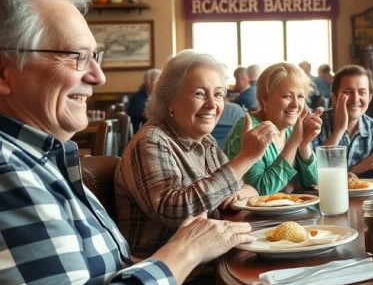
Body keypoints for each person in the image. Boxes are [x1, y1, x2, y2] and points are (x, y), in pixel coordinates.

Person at [0, 0, 310, 285]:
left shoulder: (35, 157)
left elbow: (99, 274)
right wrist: (183, 252)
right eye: (77, 57)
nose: (98, 76)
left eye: (96, 58)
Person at [115, 50, 274, 264]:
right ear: (169, 100)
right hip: (170, 275)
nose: (212, 104)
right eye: (199, 93)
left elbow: (243, 187)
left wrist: (238, 191)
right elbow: (175, 210)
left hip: (212, 259)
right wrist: (245, 158)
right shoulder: (151, 140)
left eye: (218, 94)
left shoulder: (204, 140)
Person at [224, 62, 322, 194]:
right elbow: (259, 191)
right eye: (287, 96)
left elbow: (314, 181)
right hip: (253, 214)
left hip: (293, 211)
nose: (295, 104)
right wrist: (293, 143)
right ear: (265, 99)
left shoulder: (290, 127)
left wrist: (304, 145)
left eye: (300, 96)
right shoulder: (249, 128)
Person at [315, 65, 373, 177]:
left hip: (366, 193)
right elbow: (315, 174)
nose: (355, 99)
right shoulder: (317, 124)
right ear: (334, 98)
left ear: (370, 98)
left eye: (362, 92)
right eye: (348, 92)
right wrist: (339, 131)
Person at [126, 67, 160, 132]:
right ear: (148, 82)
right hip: (138, 132)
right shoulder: (138, 98)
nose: (160, 83)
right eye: (157, 80)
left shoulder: (152, 96)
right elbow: (148, 117)